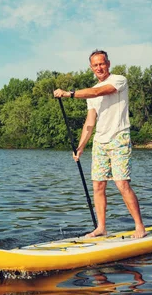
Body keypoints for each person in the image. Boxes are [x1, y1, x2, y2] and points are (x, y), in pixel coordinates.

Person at [53, 49, 147, 239]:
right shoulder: (90, 94)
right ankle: (101, 227)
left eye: (102, 63)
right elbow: (89, 122)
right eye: (95, 65)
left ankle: (139, 226)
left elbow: (98, 91)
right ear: (91, 67)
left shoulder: (119, 80)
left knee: (122, 184)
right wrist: (80, 147)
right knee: (98, 186)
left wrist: (69, 94)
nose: (99, 67)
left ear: (108, 64)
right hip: (100, 142)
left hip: (119, 138)